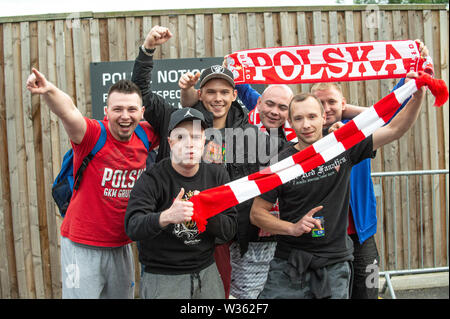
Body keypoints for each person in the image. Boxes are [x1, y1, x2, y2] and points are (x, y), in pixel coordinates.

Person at [131, 25, 284, 298]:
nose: (218, 98)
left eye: (225, 92)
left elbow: (280, 165)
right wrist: (148, 49)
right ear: (200, 94)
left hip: (230, 240)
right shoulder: (176, 120)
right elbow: (141, 91)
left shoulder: (250, 135)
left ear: (235, 95)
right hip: (174, 244)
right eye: (211, 91)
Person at [250, 73, 425, 298]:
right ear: (290, 122)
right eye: (299, 118)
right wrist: (291, 228)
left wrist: (417, 96)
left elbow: (394, 130)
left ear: (324, 117)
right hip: (289, 264)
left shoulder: (341, 146)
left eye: (312, 116)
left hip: (334, 263)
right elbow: (257, 213)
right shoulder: (280, 163)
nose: (306, 125)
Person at [26, 69, 159, 299]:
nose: (125, 116)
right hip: (81, 245)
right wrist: (48, 91)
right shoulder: (93, 135)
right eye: (117, 109)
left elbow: (178, 123)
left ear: (142, 112)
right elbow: (68, 111)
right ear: (107, 111)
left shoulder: (146, 135)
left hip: (120, 245)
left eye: (131, 109)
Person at [125, 108, 237, 298]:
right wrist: (166, 217)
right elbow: (133, 226)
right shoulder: (153, 178)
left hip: (207, 271)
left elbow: (230, 229)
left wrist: (207, 214)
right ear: (170, 142)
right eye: (181, 137)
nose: (189, 144)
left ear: (204, 141)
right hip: (164, 276)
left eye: (195, 137)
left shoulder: (217, 176)